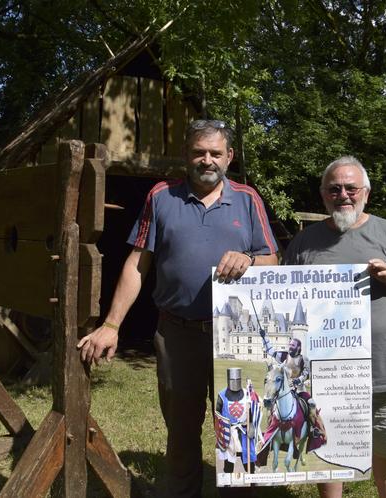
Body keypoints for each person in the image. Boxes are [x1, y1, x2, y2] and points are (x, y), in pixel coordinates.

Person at [77, 119, 278, 497]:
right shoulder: (161, 196)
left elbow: (272, 261)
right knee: (181, 430)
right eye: (199, 152)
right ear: (187, 156)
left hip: (236, 336)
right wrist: (111, 324)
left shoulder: (248, 199)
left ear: (229, 157)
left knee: (239, 429)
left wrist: (249, 261)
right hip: (177, 333)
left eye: (215, 153)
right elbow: (138, 264)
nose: (207, 160)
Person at [283, 156, 386, 498]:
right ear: (323, 194)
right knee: (328, 445)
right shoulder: (304, 243)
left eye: (351, 187)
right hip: (326, 370)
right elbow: (282, 295)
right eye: (334, 188)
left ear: (365, 192)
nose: (343, 194)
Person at [260, 334, 326, 442]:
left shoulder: (303, 359)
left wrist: (299, 380)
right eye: (290, 345)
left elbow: (306, 373)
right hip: (285, 388)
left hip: (299, 389)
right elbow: (270, 351)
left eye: (293, 345)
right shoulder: (284, 356)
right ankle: (270, 427)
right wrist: (264, 338)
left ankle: (313, 428)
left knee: (311, 404)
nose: (290, 347)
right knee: (271, 404)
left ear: (298, 348)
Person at [215, 368, 258, 474]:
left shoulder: (246, 394)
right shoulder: (222, 395)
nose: (234, 382)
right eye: (232, 380)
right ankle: (227, 486)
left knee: (248, 462)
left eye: (236, 379)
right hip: (228, 433)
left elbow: (250, 411)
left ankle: (252, 484)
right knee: (229, 463)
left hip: (244, 431)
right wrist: (221, 432)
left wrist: (251, 424)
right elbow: (217, 415)